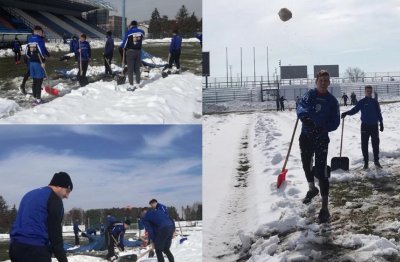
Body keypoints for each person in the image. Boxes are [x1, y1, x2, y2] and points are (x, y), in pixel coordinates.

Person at [296, 70, 340, 223]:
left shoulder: (332, 101)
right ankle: (312, 189)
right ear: (316, 81)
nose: (323, 82)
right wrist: (306, 119)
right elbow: (301, 107)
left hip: (321, 138)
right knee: (306, 165)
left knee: (321, 171)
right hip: (307, 136)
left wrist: (323, 128)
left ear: (329, 82)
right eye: (321, 80)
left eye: (326, 80)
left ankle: (325, 207)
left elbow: (335, 121)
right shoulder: (310, 95)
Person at [9, 172, 73, 262]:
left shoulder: (29, 195)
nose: (67, 196)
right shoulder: (54, 199)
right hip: (36, 250)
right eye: (67, 191)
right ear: (59, 186)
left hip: (15, 247)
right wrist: (63, 259)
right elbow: (55, 234)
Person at [341, 85, 384, 170]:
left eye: (370, 91)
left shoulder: (375, 102)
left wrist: (381, 123)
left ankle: (376, 161)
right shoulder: (362, 102)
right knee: (364, 145)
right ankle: (366, 163)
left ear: (371, 92)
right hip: (365, 126)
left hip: (374, 126)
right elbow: (354, 110)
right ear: (365, 92)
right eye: (367, 91)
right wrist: (346, 113)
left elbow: (379, 113)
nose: (369, 92)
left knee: (375, 144)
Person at [25, 25, 50, 105]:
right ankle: (38, 101)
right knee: (39, 81)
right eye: (42, 32)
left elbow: (26, 52)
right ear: (39, 32)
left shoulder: (30, 39)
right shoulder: (40, 40)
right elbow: (40, 50)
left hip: (31, 62)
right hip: (39, 62)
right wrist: (42, 61)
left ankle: (35, 98)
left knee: (35, 81)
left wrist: (31, 58)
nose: (43, 33)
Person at [120, 20, 145, 90]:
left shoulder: (128, 33)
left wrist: (122, 47)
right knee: (137, 68)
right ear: (136, 25)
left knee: (130, 69)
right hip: (139, 52)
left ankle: (131, 85)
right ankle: (138, 84)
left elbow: (124, 44)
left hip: (131, 52)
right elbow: (140, 38)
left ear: (131, 25)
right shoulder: (141, 32)